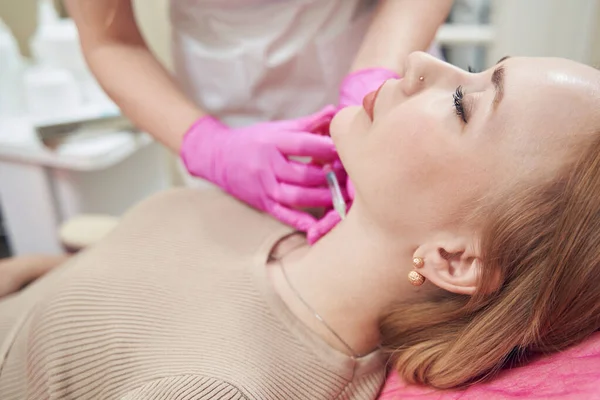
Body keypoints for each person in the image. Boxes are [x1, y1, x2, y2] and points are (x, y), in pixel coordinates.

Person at [2, 52, 600, 398]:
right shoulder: (271, 222)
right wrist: (28, 272)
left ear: (455, 259)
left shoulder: (215, 388)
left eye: (463, 105)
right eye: (470, 67)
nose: (419, 62)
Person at [64, 0, 453, 238]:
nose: (455, 85)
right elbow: (109, 39)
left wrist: (375, 75)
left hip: (382, 38)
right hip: (225, 97)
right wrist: (209, 147)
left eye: (464, 108)